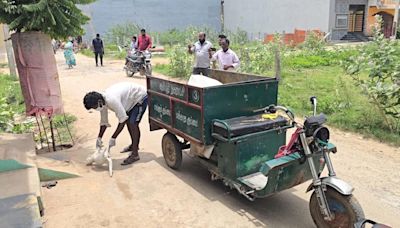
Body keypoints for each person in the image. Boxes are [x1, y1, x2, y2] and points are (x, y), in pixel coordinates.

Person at [83, 82, 148, 165]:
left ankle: (135, 154)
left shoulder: (112, 100)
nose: (95, 109)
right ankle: (134, 145)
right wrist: (99, 138)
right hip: (130, 100)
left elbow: (122, 120)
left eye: (94, 107)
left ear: (99, 102)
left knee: (133, 124)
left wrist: (113, 137)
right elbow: (104, 122)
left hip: (139, 97)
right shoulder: (102, 103)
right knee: (129, 122)